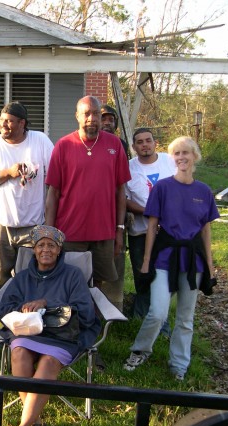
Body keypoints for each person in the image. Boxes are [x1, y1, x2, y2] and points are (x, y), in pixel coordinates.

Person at [123, 136, 219, 381]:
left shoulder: (203, 191)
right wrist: (146, 261)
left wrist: (209, 264)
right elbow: (152, 225)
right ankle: (140, 351)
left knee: (186, 318)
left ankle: (179, 365)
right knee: (157, 312)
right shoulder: (163, 188)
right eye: (177, 154)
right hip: (165, 257)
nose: (181, 158)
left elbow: (206, 229)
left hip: (192, 259)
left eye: (186, 153)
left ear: (194, 156)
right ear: (172, 158)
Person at [0, 225, 100, 426]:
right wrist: (24, 308)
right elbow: (5, 307)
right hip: (27, 334)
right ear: (34, 249)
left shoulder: (73, 276)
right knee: (19, 354)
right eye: (41, 245)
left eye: (51, 245)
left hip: (62, 336)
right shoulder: (23, 278)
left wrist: (46, 304)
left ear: (59, 249)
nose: (46, 250)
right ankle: (34, 420)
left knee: (48, 362)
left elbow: (85, 311)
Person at [45, 96, 131, 304]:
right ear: (77, 116)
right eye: (86, 114)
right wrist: (49, 233)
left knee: (98, 283)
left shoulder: (115, 145)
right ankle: (71, 324)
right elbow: (53, 193)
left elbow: (121, 191)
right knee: (71, 280)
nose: (91, 118)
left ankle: (93, 324)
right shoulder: (63, 146)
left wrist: (119, 229)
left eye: (96, 113)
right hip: (71, 231)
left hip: (104, 231)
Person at [0, 101, 54, 292]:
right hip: (2, 224)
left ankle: (27, 316)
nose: (3, 125)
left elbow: (54, 179)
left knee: (31, 277)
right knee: (0, 276)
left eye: (9, 121)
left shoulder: (40, 141)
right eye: (1, 120)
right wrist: (8, 173)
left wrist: (48, 222)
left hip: (33, 224)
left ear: (22, 123)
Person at [125, 128, 176, 328]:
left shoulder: (169, 161)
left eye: (148, 140)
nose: (144, 145)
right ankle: (142, 316)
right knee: (142, 274)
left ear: (155, 143)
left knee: (165, 274)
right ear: (134, 147)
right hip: (140, 231)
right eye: (140, 142)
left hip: (168, 231)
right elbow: (125, 200)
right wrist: (150, 212)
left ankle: (160, 318)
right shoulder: (129, 167)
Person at [99, 104, 130, 310]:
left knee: (114, 262)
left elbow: (122, 184)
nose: (107, 122)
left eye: (111, 119)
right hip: (90, 213)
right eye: (104, 118)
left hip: (114, 213)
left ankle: (113, 309)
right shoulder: (79, 144)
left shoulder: (120, 145)